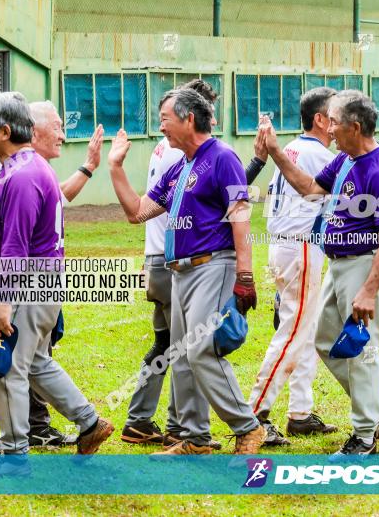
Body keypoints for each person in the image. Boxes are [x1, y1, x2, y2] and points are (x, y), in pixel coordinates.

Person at [0, 92, 113, 475]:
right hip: (37, 280)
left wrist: (3, 302)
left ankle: (15, 457)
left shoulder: (21, 175)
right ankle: (89, 422)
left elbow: (16, 246)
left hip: (27, 281)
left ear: (4, 130)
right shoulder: (18, 167)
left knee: (5, 370)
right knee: (34, 361)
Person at [108, 87, 265, 455]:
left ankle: (247, 427)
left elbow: (240, 215)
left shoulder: (222, 156)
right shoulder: (182, 166)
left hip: (214, 265)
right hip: (179, 272)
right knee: (180, 355)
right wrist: (114, 167)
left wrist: (245, 275)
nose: (160, 128)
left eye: (165, 119)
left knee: (200, 350)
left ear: (188, 118)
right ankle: (195, 438)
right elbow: (138, 212)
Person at [259, 90, 379, 458]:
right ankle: (374, 412)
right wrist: (275, 152)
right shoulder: (344, 161)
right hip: (337, 263)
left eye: (336, 121)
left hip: (362, 263)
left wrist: (369, 290)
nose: (331, 128)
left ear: (355, 127)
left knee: (362, 349)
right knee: (325, 339)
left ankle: (364, 435)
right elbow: (309, 188)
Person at [247, 87, 341, 445]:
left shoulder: (292, 148)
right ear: (319, 119)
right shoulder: (318, 154)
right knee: (290, 334)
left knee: (305, 332)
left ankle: (300, 413)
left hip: (285, 247)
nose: (338, 123)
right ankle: (255, 414)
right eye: (334, 116)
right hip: (301, 247)